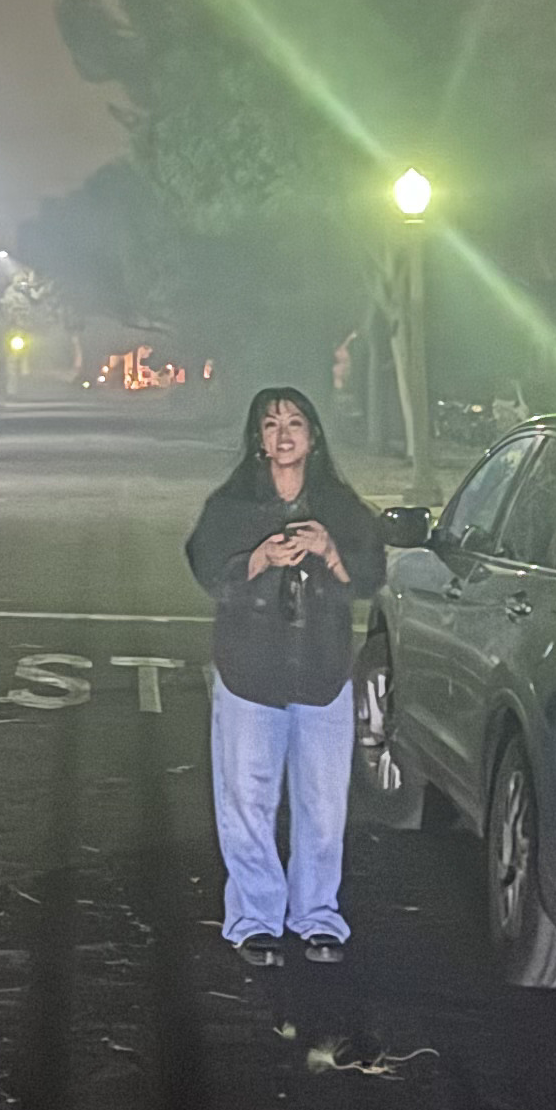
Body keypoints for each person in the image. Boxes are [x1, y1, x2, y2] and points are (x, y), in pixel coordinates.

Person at [185, 380, 383, 970]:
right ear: (259, 441)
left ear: (313, 436)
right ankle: (255, 918)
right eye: (271, 426)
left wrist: (330, 551)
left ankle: (318, 915)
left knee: (323, 805)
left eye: (294, 423)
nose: (284, 435)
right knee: (247, 798)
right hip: (251, 669)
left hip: (323, 669)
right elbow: (206, 567)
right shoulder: (230, 506)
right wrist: (259, 559)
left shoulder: (342, 507)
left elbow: (370, 575)